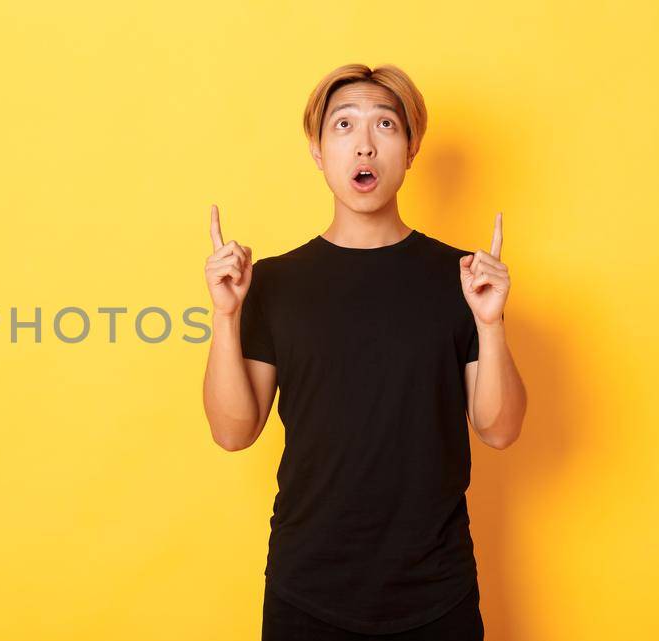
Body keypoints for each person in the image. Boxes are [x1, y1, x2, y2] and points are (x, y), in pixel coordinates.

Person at [200, 63, 529, 640]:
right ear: (317, 150)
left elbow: (499, 429)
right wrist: (226, 316)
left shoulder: (460, 279)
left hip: (436, 590)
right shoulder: (273, 284)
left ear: (411, 149)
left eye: (386, 125)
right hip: (307, 589)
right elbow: (233, 431)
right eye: (344, 125)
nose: (365, 145)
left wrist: (492, 321)